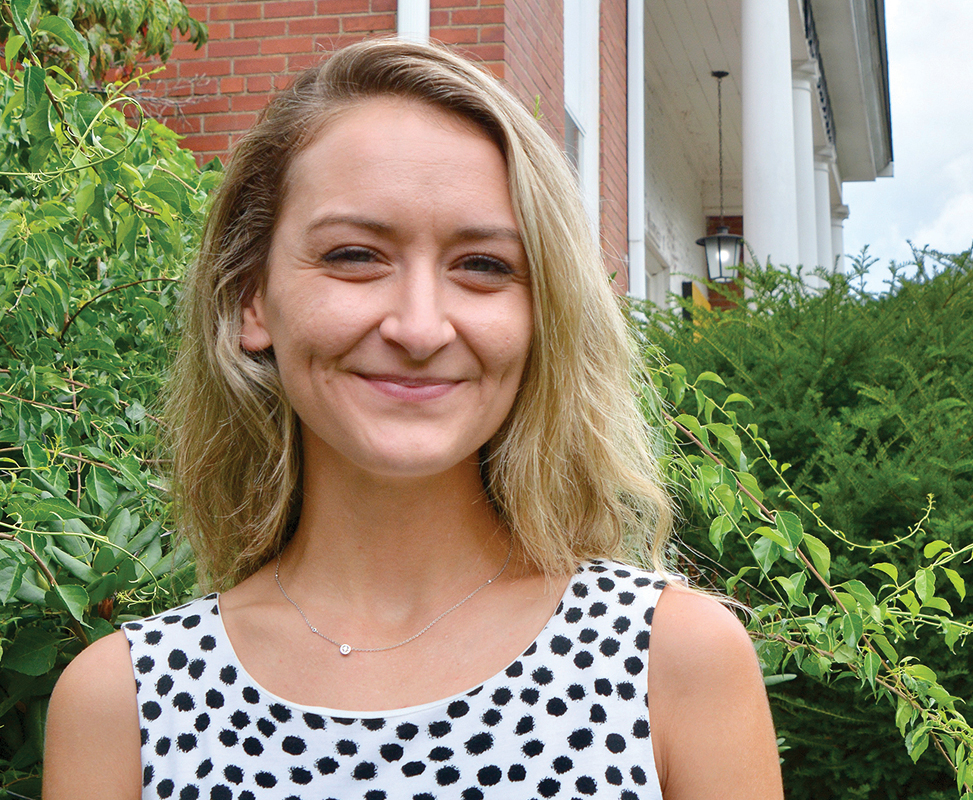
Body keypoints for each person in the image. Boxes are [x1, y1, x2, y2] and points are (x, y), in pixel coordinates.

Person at [43, 38, 782, 800]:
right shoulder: (122, 706)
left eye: (484, 266)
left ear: (543, 314)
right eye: (356, 255)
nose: (420, 328)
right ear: (249, 299)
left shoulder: (671, 664)